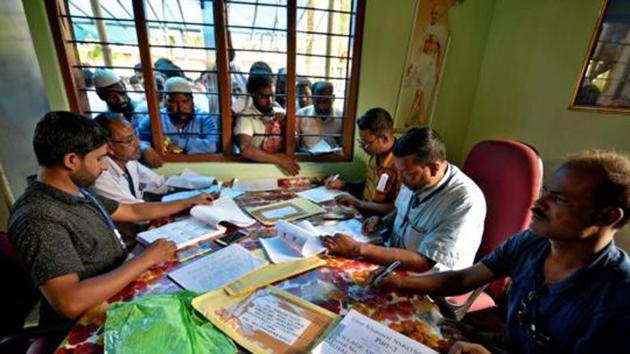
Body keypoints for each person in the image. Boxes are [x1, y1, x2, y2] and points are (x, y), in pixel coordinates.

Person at [373, 150, 630, 354]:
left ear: (607, 216)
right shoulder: (530, 244)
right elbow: (462, 279)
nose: (538, 204)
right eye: (547, 192)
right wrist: (403, 283)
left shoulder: (617, 296)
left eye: (560, 199)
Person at [7, 111, 216, 331]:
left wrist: (188, 201)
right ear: (71, 160)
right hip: (88, 323)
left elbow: (134, 211)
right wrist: (146, 259)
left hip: (121, 287)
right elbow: (70, 302)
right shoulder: (40, 218)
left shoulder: (77, 193)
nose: (105, 166)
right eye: (99, 159)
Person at [324, 127, 486, 273]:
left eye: (407, 173)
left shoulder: (464, 201)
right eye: (400, 171)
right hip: (393, 259)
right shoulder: (414, 178)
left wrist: (357, 248)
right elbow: (400, 211)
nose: (401, 179)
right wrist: (382, 221)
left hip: (426, 281)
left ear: (434, 168)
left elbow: (425, 262)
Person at [324, 108, 400, 215]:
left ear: (385, 138)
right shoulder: (375, 155)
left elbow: (398, 207)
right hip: (364, 212)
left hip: (380, 221)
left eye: (366, 143)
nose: (364, 147)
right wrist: (343, 184)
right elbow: (368, 185)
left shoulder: (401, 165)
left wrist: (360, 204)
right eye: (361, 142)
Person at [92, 68, 164, 168]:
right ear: (101, 96)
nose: (121, 100)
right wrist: (143, 148)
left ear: (124, 86)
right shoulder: (102, 121)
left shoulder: (144, 109)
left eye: (121, 92)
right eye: (112, 97)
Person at [233, 70, 300, 175]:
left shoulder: (281, 113)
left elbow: (296, 145)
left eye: (272, 95)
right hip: (256, 174)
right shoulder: (246, 117)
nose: (270, 101)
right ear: (253, 94)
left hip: (282, 175)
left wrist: (286, 126)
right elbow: (245, 149)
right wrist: (279, 160)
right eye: (263, 96)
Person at [93, 113, 169, 203]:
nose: (137, 143)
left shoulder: (129, 161)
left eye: (135, 135)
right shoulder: (101, 176)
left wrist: (189, 183)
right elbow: (133, 210)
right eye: (129, 140)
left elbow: (158, 182)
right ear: (109, 147)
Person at [136, 77, 220, 154]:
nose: (181, 108)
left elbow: (213, 145)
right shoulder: (154, 119)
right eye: (174, 102)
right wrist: (146, 149)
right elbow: (137, 141)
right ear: (166, 102)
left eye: (185, 101)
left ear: (192, 100)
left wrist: (179, 143)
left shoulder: (204, 119)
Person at [297, 81, 344, 150]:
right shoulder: (301, 115)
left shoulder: (341, 117)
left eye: (325, 101)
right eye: (318, 101)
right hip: (307, 158)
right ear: (312, 99)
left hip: (332, 159)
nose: (322, 106)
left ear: (333, 98)